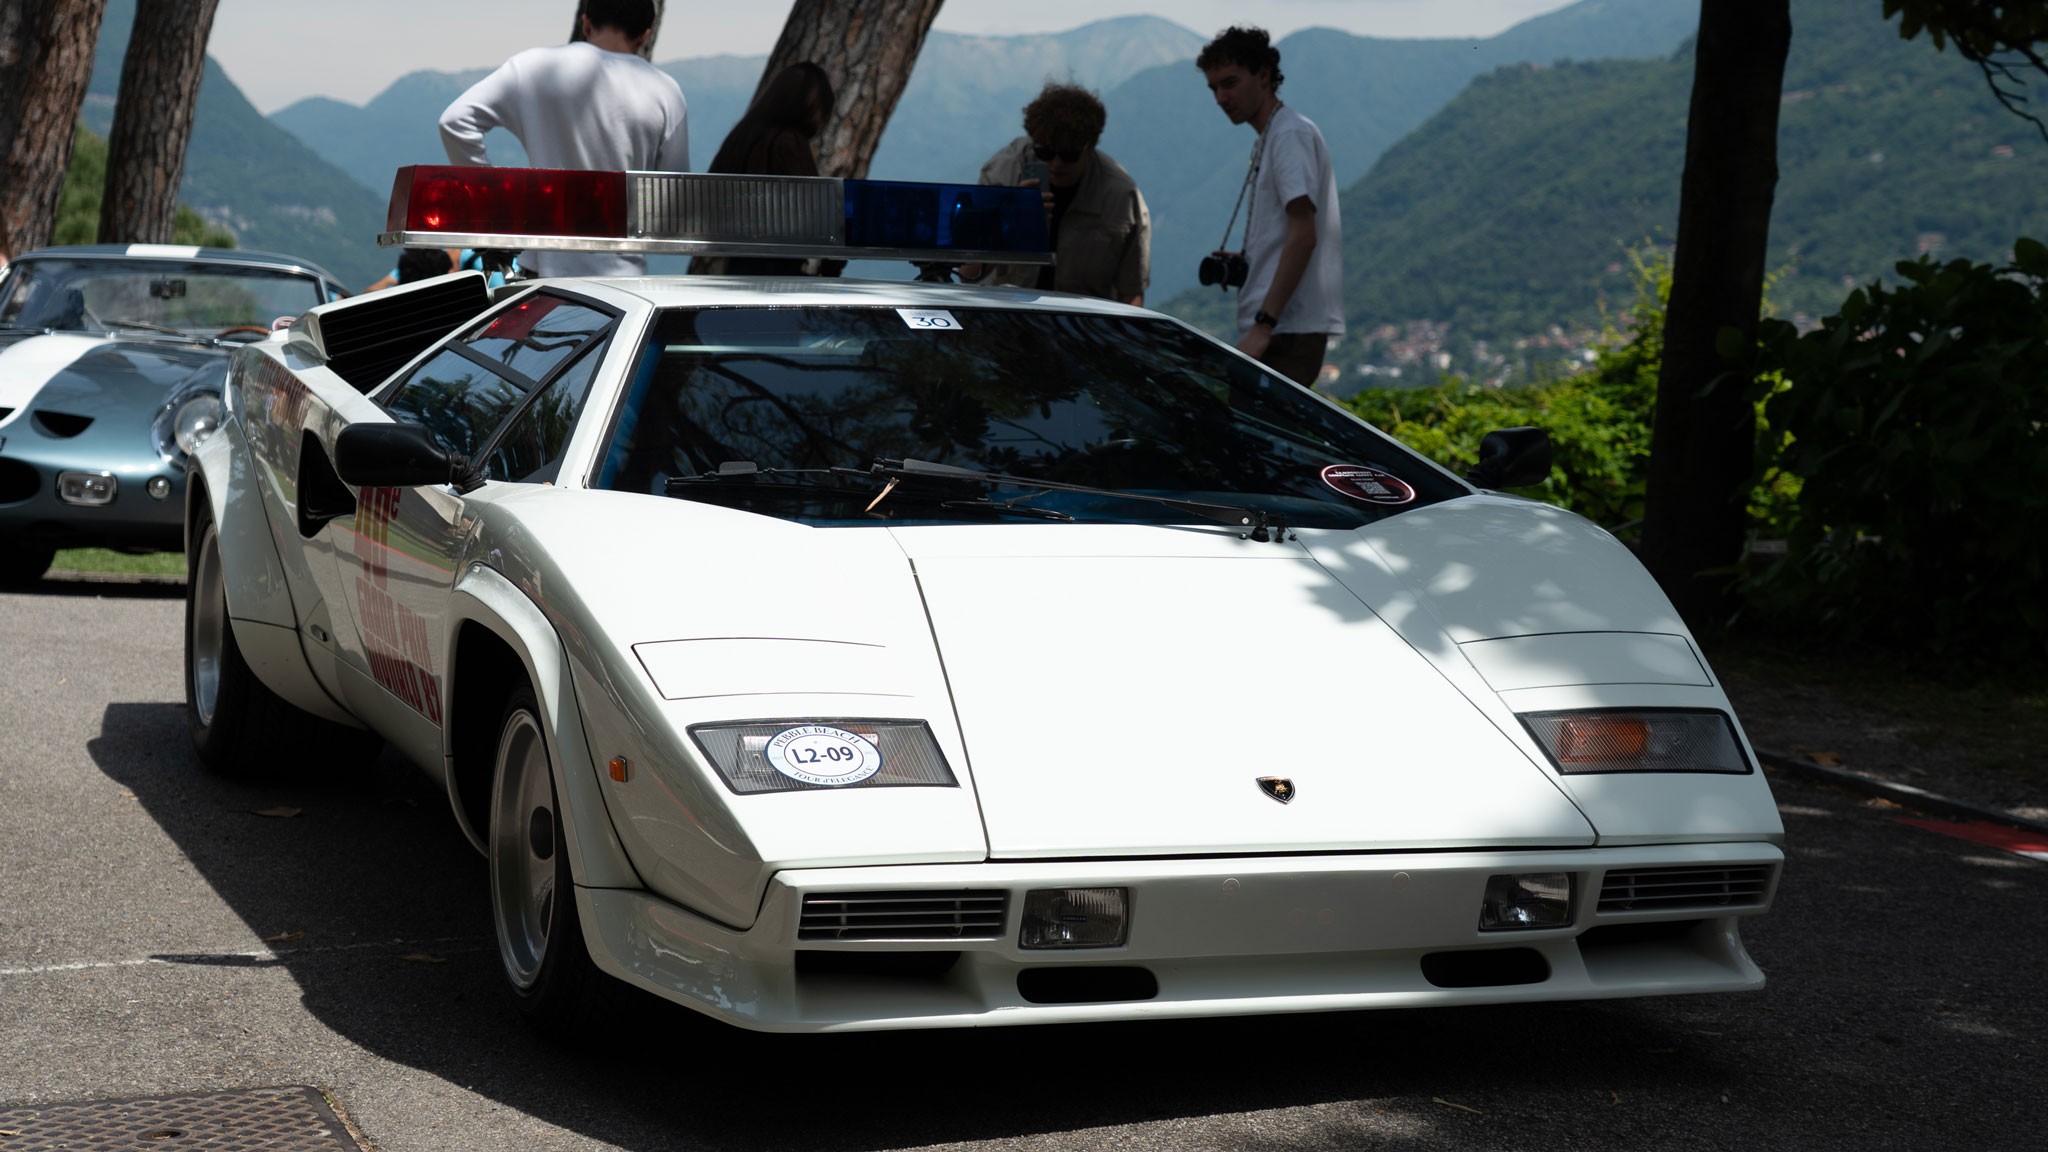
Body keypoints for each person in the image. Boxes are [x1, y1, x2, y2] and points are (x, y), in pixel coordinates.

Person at [438, 0, 688, 278]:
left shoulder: (533, 66)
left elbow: (455, 121)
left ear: (586, 23)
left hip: (542, 275)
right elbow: (673, 197)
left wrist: (496, 205)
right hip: (624, 283)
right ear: (645, 35)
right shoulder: (666, 90)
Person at [1197, 26, 1343, 387]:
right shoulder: (1275, 135)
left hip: (1285, 329)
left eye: (1229, 83)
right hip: (1282, 326)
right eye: (1214, 88)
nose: (1220, 97)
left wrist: (1264, 325)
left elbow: (1303, 235)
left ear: (1263, 76)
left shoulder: (1290, 135)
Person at [967, 83, 1149, 305]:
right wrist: (1007, 224)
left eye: (1069, 155)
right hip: (1004, 316)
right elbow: (968, 272)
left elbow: (1131, 293)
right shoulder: (1002, 175)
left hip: (1080, 326)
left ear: (1091, 147)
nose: (1055, 164)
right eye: (1045, 152)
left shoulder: (1120, 196)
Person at [695, 62, 843, 277]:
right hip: (776, 274)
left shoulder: (742, 137)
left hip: (737, 270)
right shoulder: (787, 143)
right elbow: (815, 213)